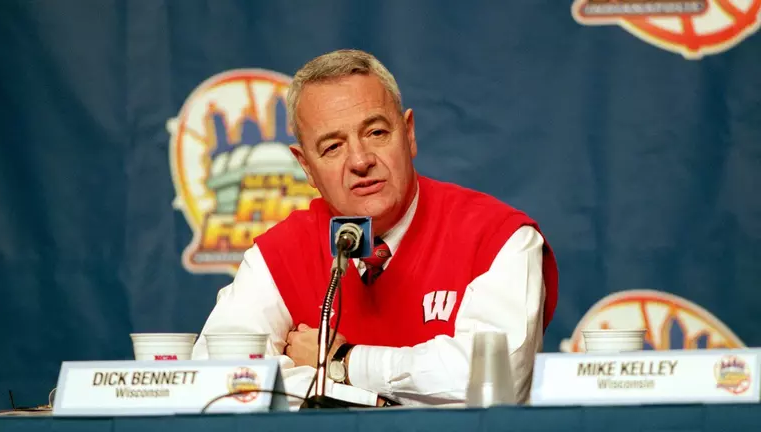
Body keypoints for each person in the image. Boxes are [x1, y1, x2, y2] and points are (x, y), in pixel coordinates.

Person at [192, 49, 558, 406]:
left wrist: (343, 362)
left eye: (377, 133)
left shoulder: (497, 237)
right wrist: (371, 403)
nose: (361, 160)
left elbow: (494, 380)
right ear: (306, 167)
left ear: (409, 133)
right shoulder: (279, 253)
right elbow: (221, 377)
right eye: (333, 146)